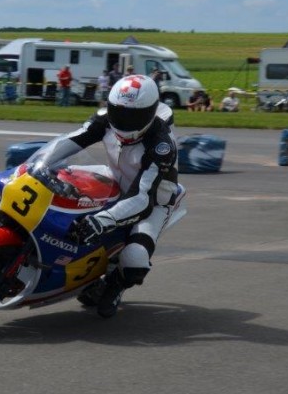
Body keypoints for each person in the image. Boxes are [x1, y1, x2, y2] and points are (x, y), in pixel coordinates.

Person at [37, 74, 181, 318]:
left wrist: (101, 220)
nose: (124, 122)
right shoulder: (106, 120)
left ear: (150, 112)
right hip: (114, 179)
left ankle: (115, 284)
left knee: (136, 257)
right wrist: (40, 165)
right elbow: (72, 140)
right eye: (118, 112)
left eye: (133, 116)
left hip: (155, 199)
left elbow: (142, 197)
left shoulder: (161, 145)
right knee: (61, 184)